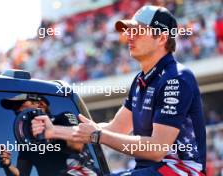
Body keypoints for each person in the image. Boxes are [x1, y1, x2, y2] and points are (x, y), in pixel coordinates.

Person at [31, 5, 206, 176]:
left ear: (161, 38)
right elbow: (114, 129)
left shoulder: (176, 78)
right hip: (150, 170)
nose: (129, 36)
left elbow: (156, 149)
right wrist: (54, 130)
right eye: (128, 31)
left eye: (137, 31)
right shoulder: (141, 80)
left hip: (181, 170)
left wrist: (97, 135)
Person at [0, 93, 96, 176]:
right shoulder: (26, 139)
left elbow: (77, 146)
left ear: (41, 104)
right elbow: (22, 173)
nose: (17, 110)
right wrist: (7, 165)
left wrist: (50, 134)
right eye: (14, 108)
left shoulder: (63, 118)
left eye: (20, 104)